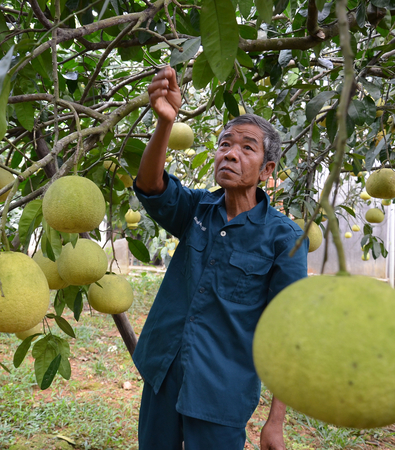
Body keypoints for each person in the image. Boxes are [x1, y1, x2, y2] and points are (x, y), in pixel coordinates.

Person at [132, 65, 309, 450]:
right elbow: (151, 185)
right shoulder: (197, 208)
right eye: (225, 143)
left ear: (267, 170)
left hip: (220, 395)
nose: (231, 153)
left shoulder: (285, 238)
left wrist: (275, 422)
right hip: (163, 374)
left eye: (247, 147)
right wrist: (165, 122)